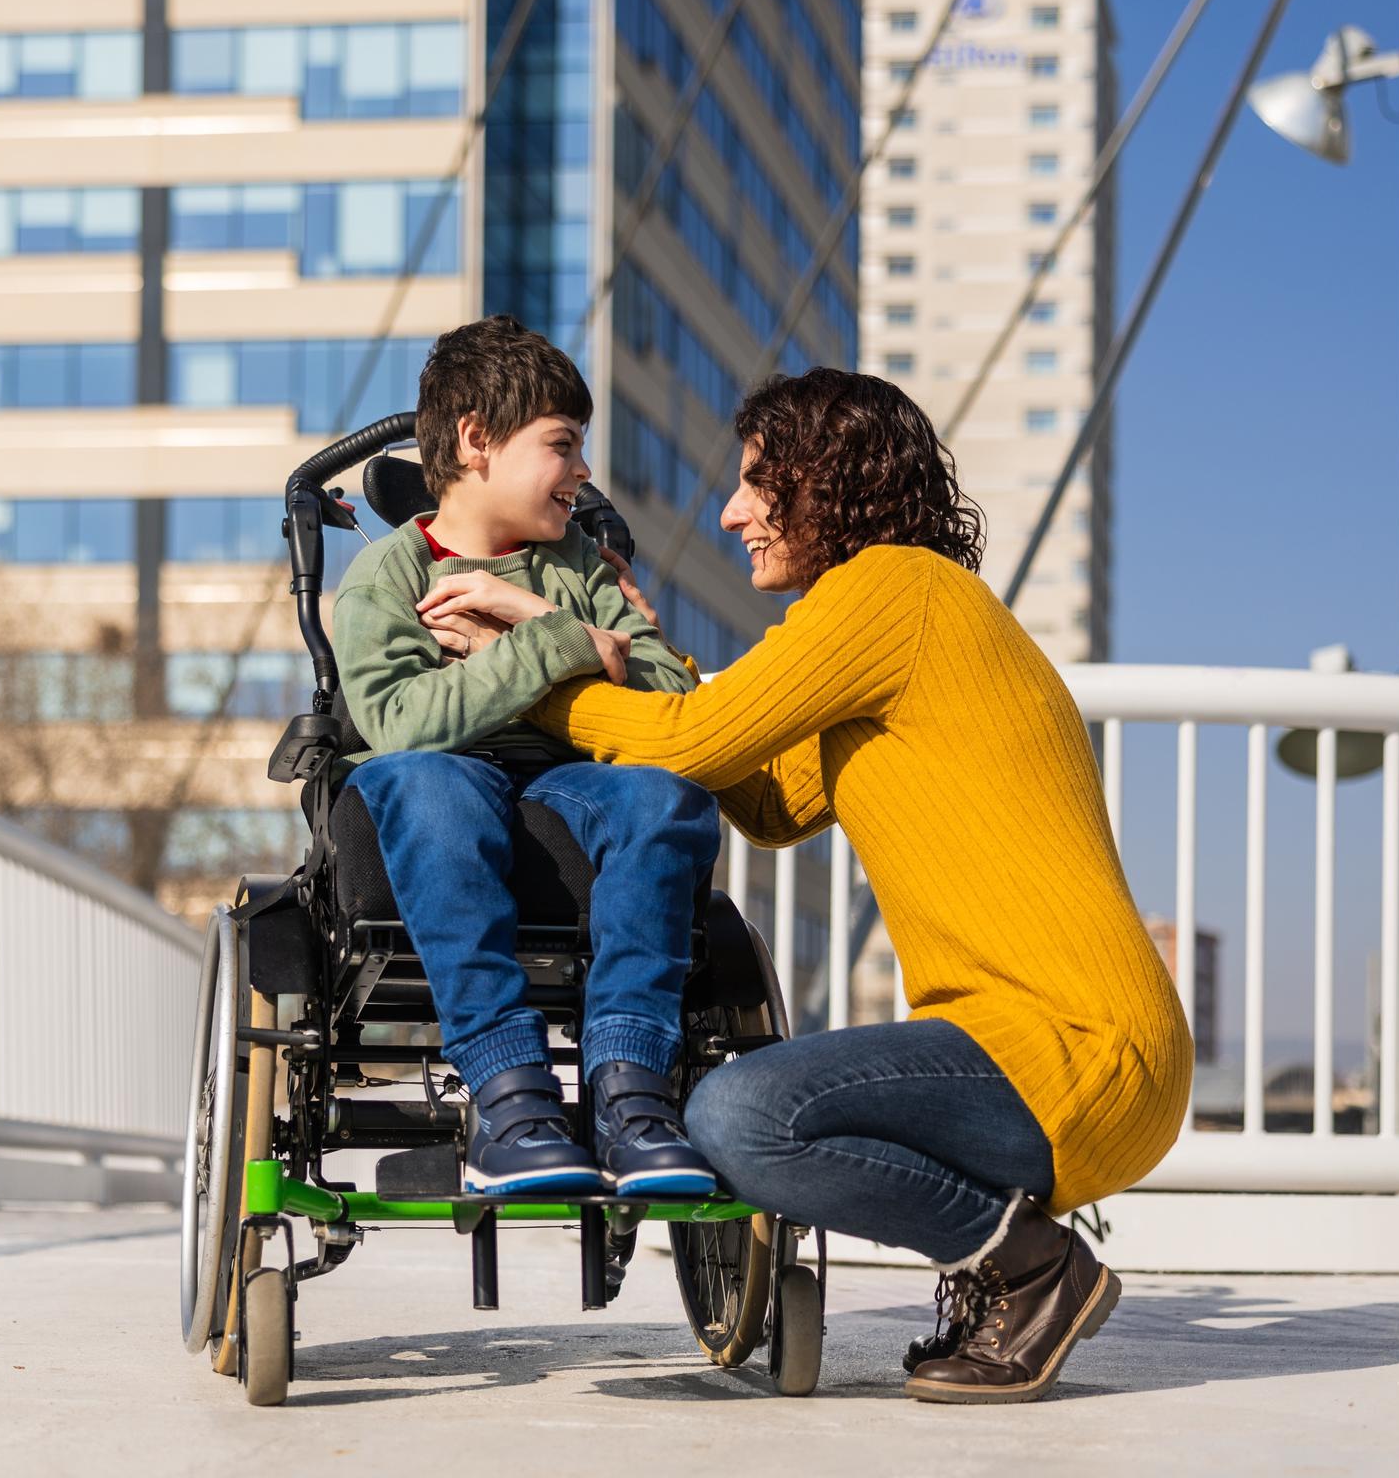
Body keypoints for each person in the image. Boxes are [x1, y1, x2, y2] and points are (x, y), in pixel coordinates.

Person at [417, 366, 1193, 1403]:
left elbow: (689, 743)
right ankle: (1007, 1266)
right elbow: (768, 800)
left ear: (823, 481)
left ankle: (1029, 1267)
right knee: (746, 1108)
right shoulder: (892, 617)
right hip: (1054, 1050)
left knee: (738, 1115)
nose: (732, 511)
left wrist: (541, 662)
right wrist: (635, 662)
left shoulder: (896, 591)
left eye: (753, 482)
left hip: (1074, 1046)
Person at [333, 314, 720, 1198]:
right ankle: (511, 1098)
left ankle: (630, 1090)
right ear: (477, 442)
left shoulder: (579, 563)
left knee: (668, 799)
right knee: (427, 781)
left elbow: (668, 694)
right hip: (443, 782)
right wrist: (573, 647)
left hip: (567, 780)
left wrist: (536, 618)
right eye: (562, 444)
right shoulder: (387, 578)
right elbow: (402, 722)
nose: (582, 471)